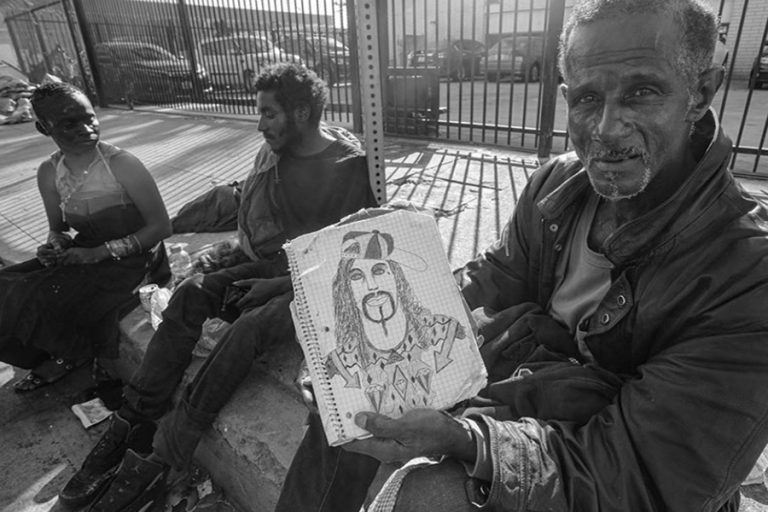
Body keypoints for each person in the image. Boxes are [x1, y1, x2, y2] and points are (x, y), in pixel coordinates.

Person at [275, 1, 768, 511]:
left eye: (642, 92)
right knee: (352, 411)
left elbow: (644, 473)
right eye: (587, 98)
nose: (606, 128)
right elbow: (498, 276)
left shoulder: (747, 277)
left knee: (427, 497)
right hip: (535, 397)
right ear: (564, 97)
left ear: (701, 93)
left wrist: (466, 440)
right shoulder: (557, 185)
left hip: (611, 461)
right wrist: (378, 315)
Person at [59, 63, 377, 511]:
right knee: (193, 291)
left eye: (269, 114)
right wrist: (176, 226)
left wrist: (277, 286)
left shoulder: (351, 169)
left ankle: (165, 454)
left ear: (302, 112)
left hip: (320, 282)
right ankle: (132, 420)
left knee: (247, 329)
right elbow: (240, 202)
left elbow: (344, 256)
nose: (260, 124)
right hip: (276, 264)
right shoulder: (276, 156)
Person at [0, 82, 171, 392]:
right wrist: (54, 246)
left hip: (136, 261)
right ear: (43, 128)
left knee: (47, 295)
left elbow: (160, 228)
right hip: (85, 253)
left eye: (89, 117)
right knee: (8, 291)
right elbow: (59, 229)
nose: (86, 128)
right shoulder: (49, 172)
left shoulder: (123, 164)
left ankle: (68, 355)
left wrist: (99, 253)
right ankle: (60, 351)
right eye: (69, 123)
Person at [328, 229, 469, 414]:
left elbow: (462, 338)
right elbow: (328, 374)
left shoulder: (434, 327)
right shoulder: (347, 352)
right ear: (347, 292)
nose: (372, 286)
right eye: (356, 276)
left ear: (397, 278)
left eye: (378, 271)